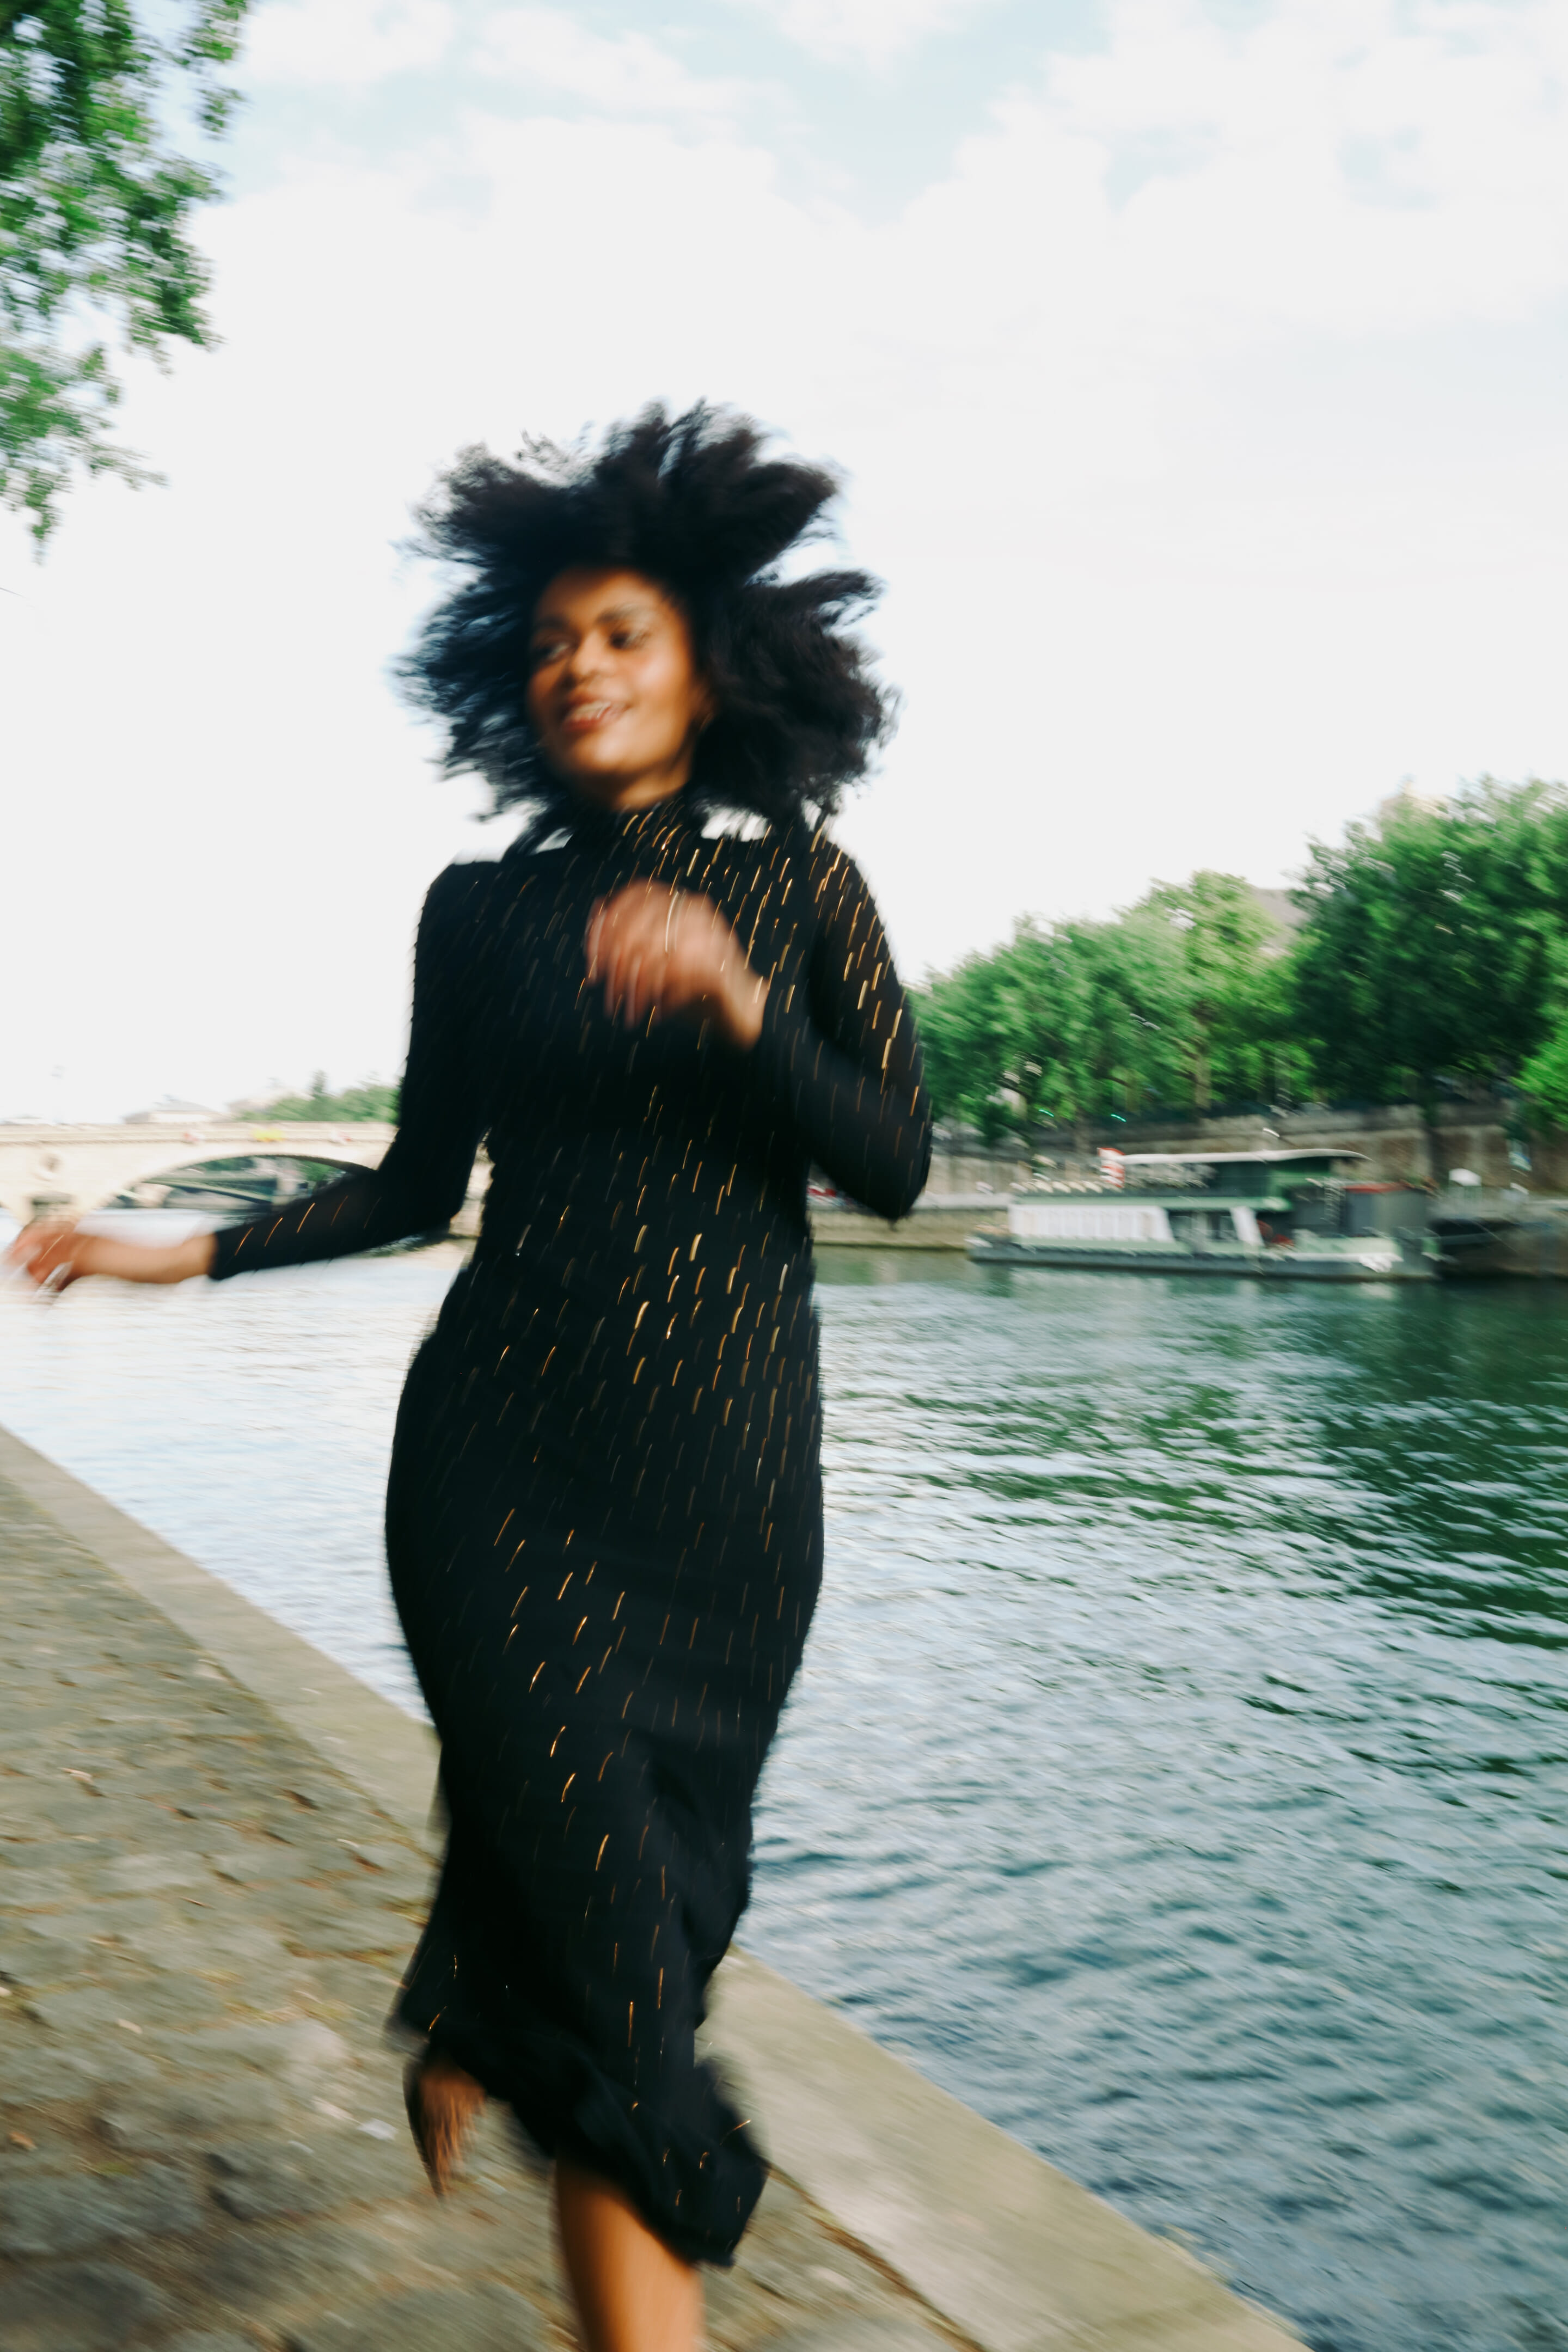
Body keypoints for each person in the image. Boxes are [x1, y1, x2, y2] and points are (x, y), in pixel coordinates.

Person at [8, 405, 932, 2352]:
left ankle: (484, 2004)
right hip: (501, 1474)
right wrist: (182, 1252)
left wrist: (740, 1005)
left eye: (623, 633)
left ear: (710, 667)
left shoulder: (806, 896)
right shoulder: (479, 911)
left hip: (730, 1508)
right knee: (628, 2008)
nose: (579, 665)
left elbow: (896, 1169)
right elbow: (417, 1188)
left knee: (653, 1941)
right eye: (552, 641)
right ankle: (540, 2038)